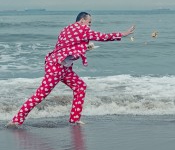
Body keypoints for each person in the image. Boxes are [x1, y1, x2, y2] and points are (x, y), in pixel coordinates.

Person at [6, 12, 135, 128]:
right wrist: (122, 34)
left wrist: (84, 47)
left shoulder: (67, 29)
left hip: (64, 68)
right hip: (56, 67)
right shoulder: (82, 29)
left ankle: (75, 119)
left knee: (80, 86)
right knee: (40, 95)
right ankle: (16, 120)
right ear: (82, 21)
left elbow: (69, 44)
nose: (89, 25)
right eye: (89, 22)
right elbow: (101, 36)